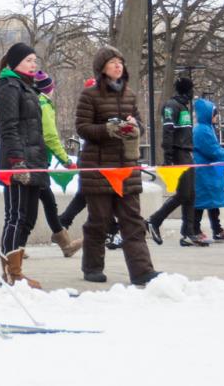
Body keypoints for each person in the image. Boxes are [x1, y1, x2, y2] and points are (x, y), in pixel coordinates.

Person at [73, 47, 159, 286]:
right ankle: (92, 267)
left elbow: (141, 124)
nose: (118, 66)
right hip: (99, 169)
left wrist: (135, 126)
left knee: (132, 220)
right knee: (99, 220)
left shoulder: (130, 95)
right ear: (102, 68)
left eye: (120, 62)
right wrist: (107, 129)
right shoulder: (88, 95)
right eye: (112, 63)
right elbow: (82, 128)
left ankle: (142, 271)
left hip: (127, 167)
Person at [0, 42, 48, 288]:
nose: (33, 64)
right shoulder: (8, 87)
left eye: (35, 60)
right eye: (28, 60)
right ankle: (10, 273)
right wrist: (17, 162)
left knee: (29, 217)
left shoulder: (28, 88)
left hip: (35, 160)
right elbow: (9, 127)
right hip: (17, 162)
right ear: (14, 63)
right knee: (16, 216)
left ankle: (17, 268)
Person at [32, 71, 82, 257]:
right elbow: (51, 137)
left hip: (35, 159)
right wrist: (66, 160)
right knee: (38, 205)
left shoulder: (36, 101)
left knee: (43, 202)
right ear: (49, 88)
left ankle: (63, 242)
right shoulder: (44, 104)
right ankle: (14, 247)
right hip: (38, 159)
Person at [147, 77, 199, 246]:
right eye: (191, 89)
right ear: (186, 90)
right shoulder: (171, 106)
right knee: (183, 194)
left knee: (191, 194)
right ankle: (154, 221)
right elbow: (167, 131)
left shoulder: (184, 107)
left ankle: (188, 232)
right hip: (178, 153)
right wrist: (168, 157)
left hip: (187, 153)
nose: (193, 93)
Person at [187, 93, 224, 244]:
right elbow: (214, 152)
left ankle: (216, 229)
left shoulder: (206, 128)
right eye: (215, 114)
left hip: (207, 172)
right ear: (208, 114)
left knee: (211, 202)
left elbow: (215, 149)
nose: (216, 117)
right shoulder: (203, 130)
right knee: (202, 202)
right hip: (204, 173)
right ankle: (196, 230)